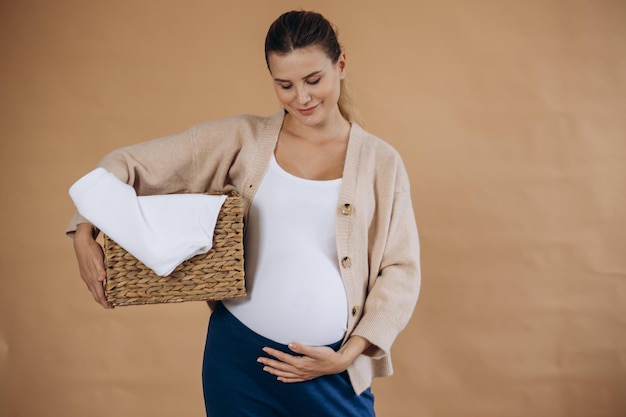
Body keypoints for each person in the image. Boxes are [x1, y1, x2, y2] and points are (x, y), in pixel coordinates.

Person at [67, 10, 421, 417]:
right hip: (237, 360)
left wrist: (348, 356)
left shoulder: (381, 162)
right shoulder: (242, 140)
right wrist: (83, 228)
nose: (301, 98)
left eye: (313, 80)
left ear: (341, 64)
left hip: (329, 371)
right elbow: (125, 165)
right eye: (284, 85)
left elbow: (401, 270)